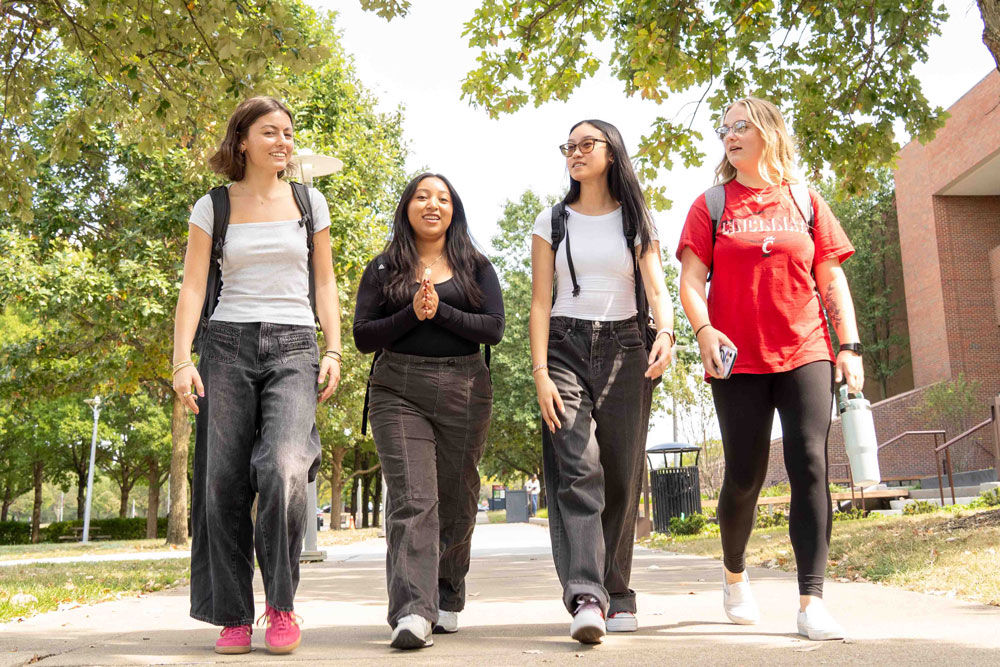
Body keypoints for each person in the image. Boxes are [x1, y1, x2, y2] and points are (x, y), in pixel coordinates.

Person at [676, 97, 864, 641]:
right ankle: (735, 574)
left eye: (741, 126)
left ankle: (811, 602)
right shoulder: (710, 205)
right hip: (738, 358)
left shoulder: (804, 200)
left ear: (768, 132)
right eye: (724, 128)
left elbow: (831, 279)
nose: (729, 135)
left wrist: (848, 345)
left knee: (810, 462)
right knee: (744, 474)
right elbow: (691, 282)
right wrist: (705, 331)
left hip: (806, 347)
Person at [171, 96, 341, 655]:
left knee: (286, 466)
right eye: (270, 132)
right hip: (226, 345)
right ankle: (233, 614)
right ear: (242, 140)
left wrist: (334, 347)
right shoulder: (213, 206)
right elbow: (194, 286)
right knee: (221, 482)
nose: (283, 141)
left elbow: (323, 284)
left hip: (294, 345)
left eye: (288, 133)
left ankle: (282, 605)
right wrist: (181, 359)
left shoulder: (309, 203)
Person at [529, 120, 675, 644]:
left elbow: (656, 287)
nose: (574, 152)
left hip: (626, 348)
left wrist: (668, 332)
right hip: (564, 348)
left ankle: (619, 590)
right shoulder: (551, 220)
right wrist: (541, 372)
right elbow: (540, 302)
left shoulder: (635, 219)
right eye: (568, 145)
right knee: (579, 466)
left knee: (620, 474)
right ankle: (587, 595)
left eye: (586, 144)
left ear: (612, 152)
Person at [353, 172, 504, 650]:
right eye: (422, 196)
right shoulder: (383, 269)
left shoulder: (476, 267)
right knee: (413, 499)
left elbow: (493, 329)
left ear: (454, 209)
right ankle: (412, 612)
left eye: (442, 198)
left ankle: (446, 594)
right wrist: (410, 315)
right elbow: (363, 336)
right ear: (407, 208)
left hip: (464, 386)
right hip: (398, 388)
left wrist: (439, 311)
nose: (432, 204)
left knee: (458, 500)